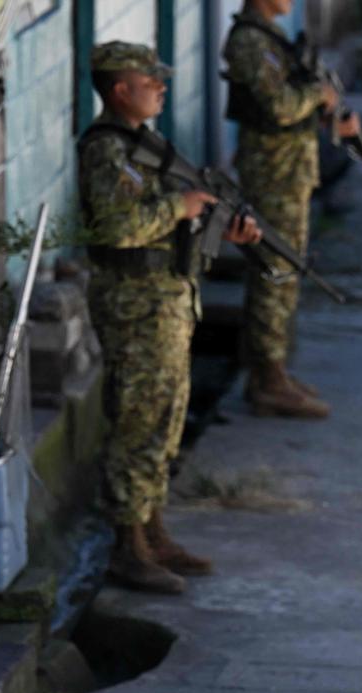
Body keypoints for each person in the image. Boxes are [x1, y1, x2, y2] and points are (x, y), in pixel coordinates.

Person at [78, 42, 262, 594]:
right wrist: (177, 209)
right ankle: (126, 547)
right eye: (149, 79)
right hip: (135, 302)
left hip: (167, 298)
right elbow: (115, 227)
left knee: (166, 418)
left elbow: (167, 218)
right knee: (137, 419)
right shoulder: (105, 151)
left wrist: (212, 223)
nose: (160, 86)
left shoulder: (147, 144)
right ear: (119, 90)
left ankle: (153, 530)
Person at [224, 0, 362, 418]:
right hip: (272, 177)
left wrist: (326, 119)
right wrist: (317, 94)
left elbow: (289, 111)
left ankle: (271, 371)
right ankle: (268, 379)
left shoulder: (272, 36)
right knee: (274, 270)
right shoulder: (249, 40)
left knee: (284, 271)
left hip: (289, 172)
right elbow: (279, 107)